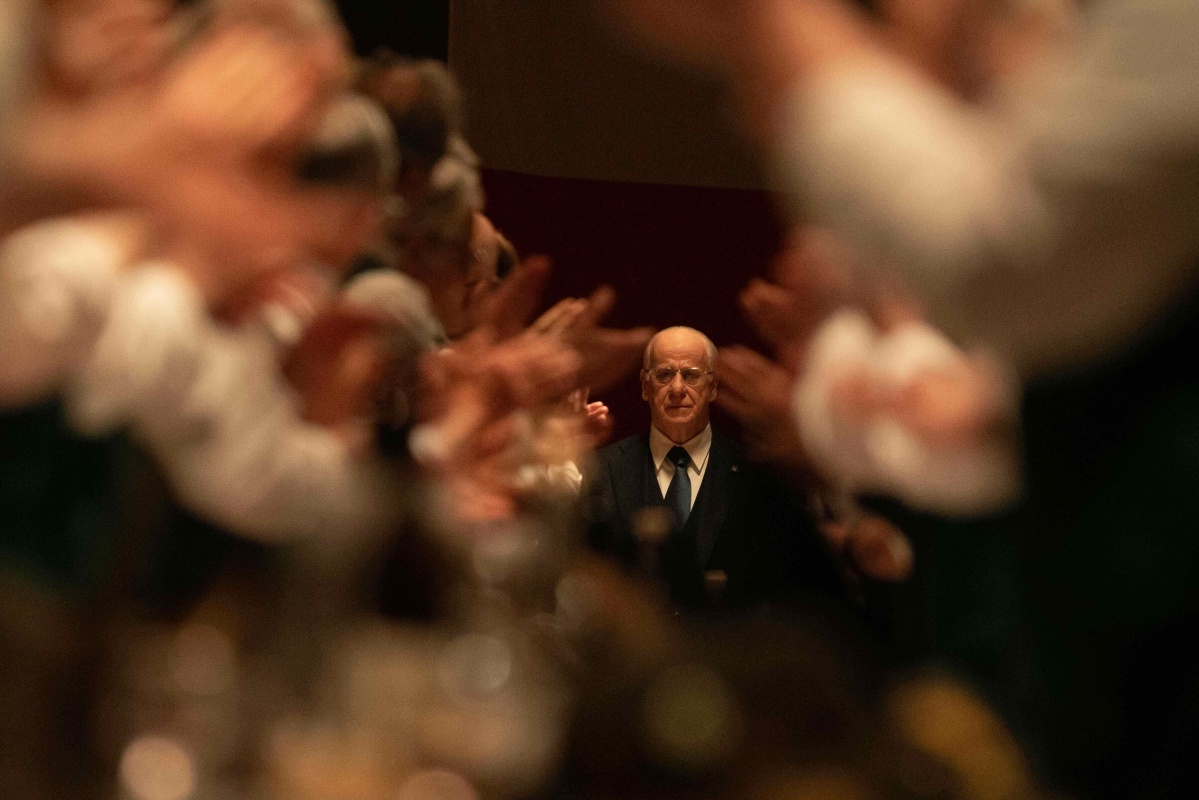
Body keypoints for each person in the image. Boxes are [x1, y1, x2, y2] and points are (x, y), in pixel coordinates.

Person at [585, 326, 844, 612]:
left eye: (691, 375)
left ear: (713, 387)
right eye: (664, 374)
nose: (677, 389)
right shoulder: (600, 468)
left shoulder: (757, 471)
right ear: (645, 387)